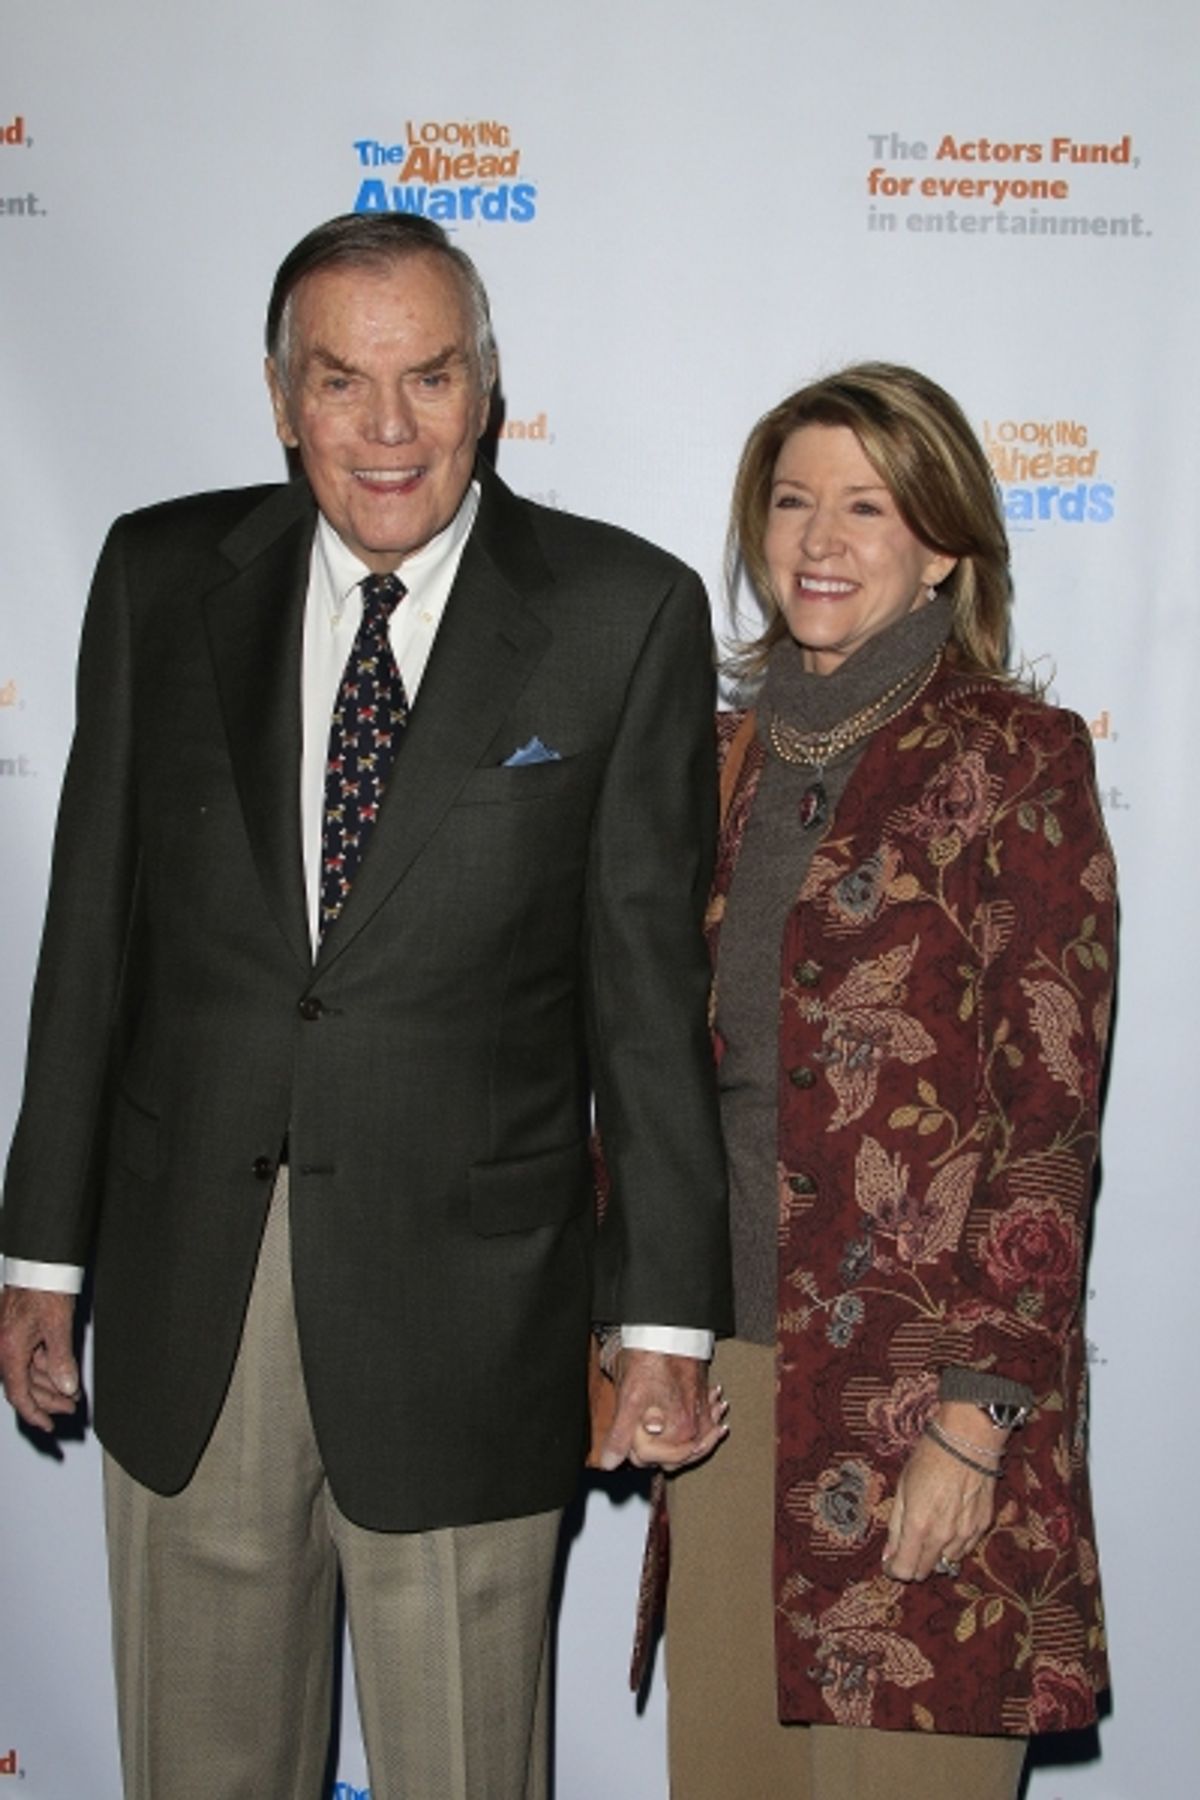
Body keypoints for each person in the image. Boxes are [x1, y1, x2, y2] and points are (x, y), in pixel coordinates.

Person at [0, 213, 732, 1799]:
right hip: (197, 1288)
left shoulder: (625, 613)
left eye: (430, 377)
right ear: (279, 396)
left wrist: (662, 1319)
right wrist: (39, 1251)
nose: (389, 429)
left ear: (488, 388)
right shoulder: (155, 576)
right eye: (343, 382)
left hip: (474, 1312)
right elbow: (88, 943)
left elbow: (647, 1006)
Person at [658, 363, 1114, 1800]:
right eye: (791, 502)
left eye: (867, 504)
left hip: (923, 1401)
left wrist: (977, 1424)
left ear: (944, 549)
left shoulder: (1017, 760)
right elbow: (651, 1070)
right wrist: (628, 1332)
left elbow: (1051, 1117)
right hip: (723, 1386)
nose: (819, 539)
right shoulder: (710, 760)